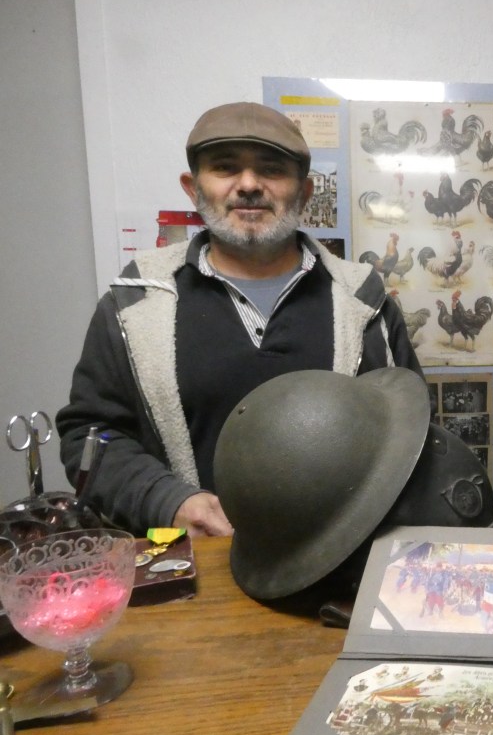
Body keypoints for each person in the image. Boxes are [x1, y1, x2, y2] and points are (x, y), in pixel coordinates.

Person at [56, 102, 423, 537]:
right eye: (225, 167)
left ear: (304, 192)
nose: (248, 185)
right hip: (195, 566)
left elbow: (411, 432)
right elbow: (90, 436)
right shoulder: (135, 302)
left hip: (341, 563)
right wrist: (165, 500)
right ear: (193, 188)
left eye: (271, 169)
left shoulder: (364, 301)